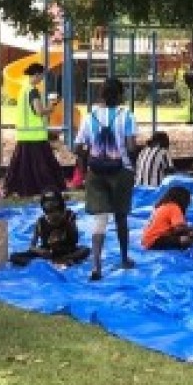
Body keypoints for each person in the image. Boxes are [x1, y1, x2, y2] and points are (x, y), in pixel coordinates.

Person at [74, 78, 138, 282]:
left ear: (100, 94)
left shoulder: (89, 116)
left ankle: (96, 265)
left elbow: (78, 147)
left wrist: (86, 166)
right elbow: (130, 147)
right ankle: (124, 257)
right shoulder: (126, 115)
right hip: (121, 171)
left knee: (99, 220)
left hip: (96, 172)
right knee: (121, 217)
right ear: (120, 95)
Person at [4, 62, 64, 198]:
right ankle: (46, 188)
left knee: (22, 167)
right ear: (36, 74)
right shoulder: (33, 90)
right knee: (43, 168)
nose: (42, 78)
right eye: (42, 75)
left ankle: (19, 189)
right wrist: (50, 107)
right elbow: (38, 111)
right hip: (35, 135)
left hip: (24, 135)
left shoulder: (23, 89)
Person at [10, 191, 91, 267]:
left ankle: (63, 260)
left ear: (62, 211)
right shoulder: (40, 221)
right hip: (47, 252)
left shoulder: (69, 217)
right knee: (13, 257)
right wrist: (40, 251)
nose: (53, 217)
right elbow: (32, 246)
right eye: (50, 214)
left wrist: (69, 224)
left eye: (56, 214)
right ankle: (43, 264)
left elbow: (75, 240)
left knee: (85, 250)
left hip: (67, 250)